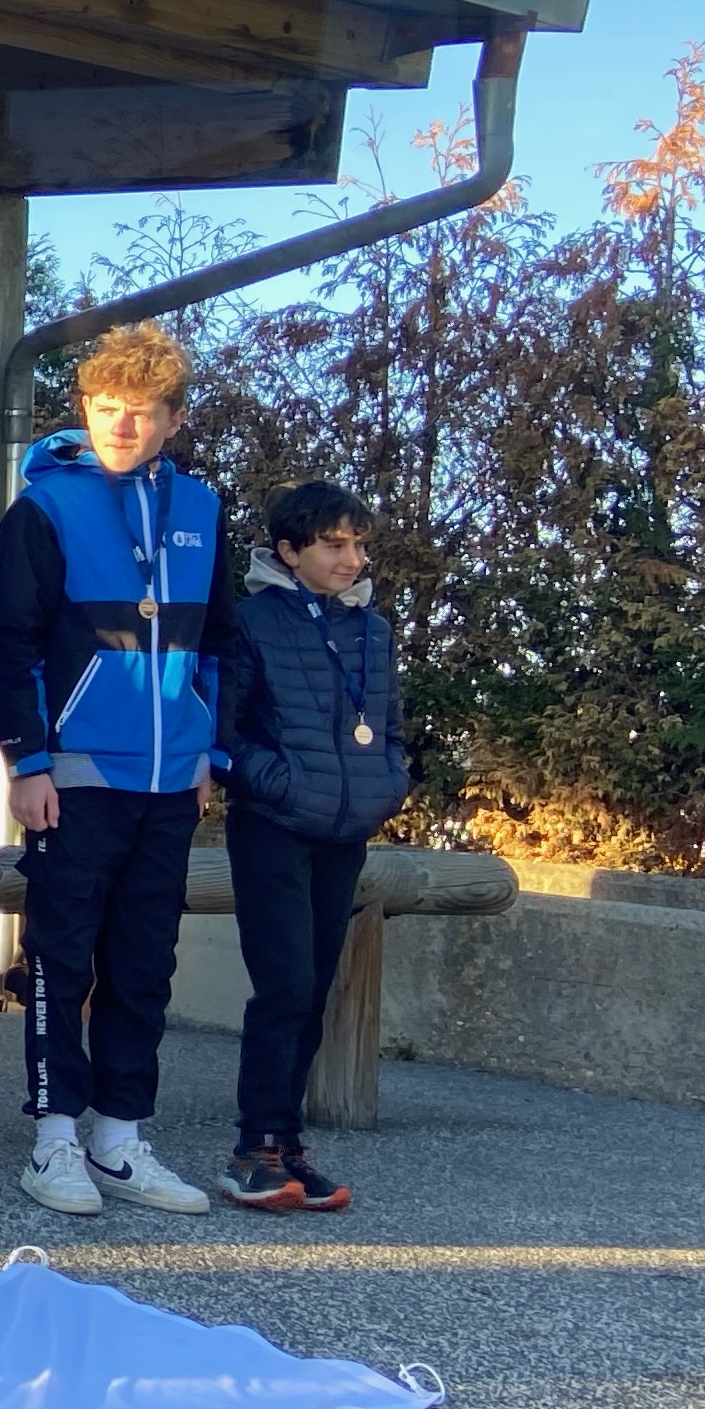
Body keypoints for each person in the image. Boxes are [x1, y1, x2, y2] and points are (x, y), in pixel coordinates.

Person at [0, 321, 234, 1219]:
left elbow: (218, 644)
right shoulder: (46, 507)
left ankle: (120, 1138)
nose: (121, 427)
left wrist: (210, 750)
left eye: (140, 413)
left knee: (145, 963)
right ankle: (54, 1141)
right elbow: (11, 645)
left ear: (172, 417)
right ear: (84, 410)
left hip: (171, 783)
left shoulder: (203, 510)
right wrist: (29, 761)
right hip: (79, 775)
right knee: (62, 958)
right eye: (105, 410)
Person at [215, 479, 409, 1215]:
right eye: (334, 544)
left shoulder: (375, 630)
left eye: (358, 545)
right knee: (285, 986)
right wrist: (285, 786)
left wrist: (389, 785)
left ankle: (288, 1144)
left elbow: (389, 727)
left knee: (317, 989)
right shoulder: (253, 621)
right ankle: (256, 1146)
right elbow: (225, 729)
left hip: (345, 832)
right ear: (290, 550)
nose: (351, 558)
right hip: (274, 826)